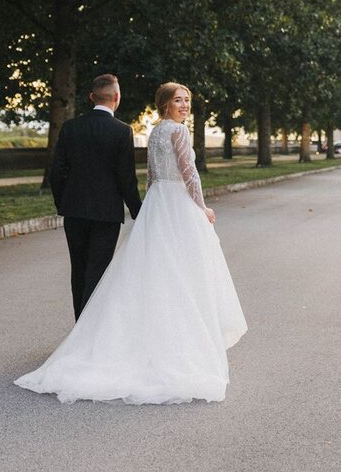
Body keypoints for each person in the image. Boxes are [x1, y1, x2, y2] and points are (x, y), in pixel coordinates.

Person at [15, 81, 247, 404]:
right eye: (178, 101)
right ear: (165, 104)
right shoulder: (169, 132)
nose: (184, 106)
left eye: (187, 101)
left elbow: (147, 176)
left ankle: (91, 337)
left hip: (140, 205)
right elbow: (186, 175)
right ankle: (152, 343)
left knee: (130, 275)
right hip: (164, 206)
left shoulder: (147, 132)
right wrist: (198, 207)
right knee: (174, 276)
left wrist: (146, 209)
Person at [49, 73, 142, 320]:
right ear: (117, 97)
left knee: (78, 270)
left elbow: (57, 173)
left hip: (74, 211)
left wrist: (64, 203)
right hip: (106, 213)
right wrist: (138, 212)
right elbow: (126, 178)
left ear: (92, 97)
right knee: (98, 272)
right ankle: (88, 333)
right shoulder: (122, 131)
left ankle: (80, 325)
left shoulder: (70, 127)